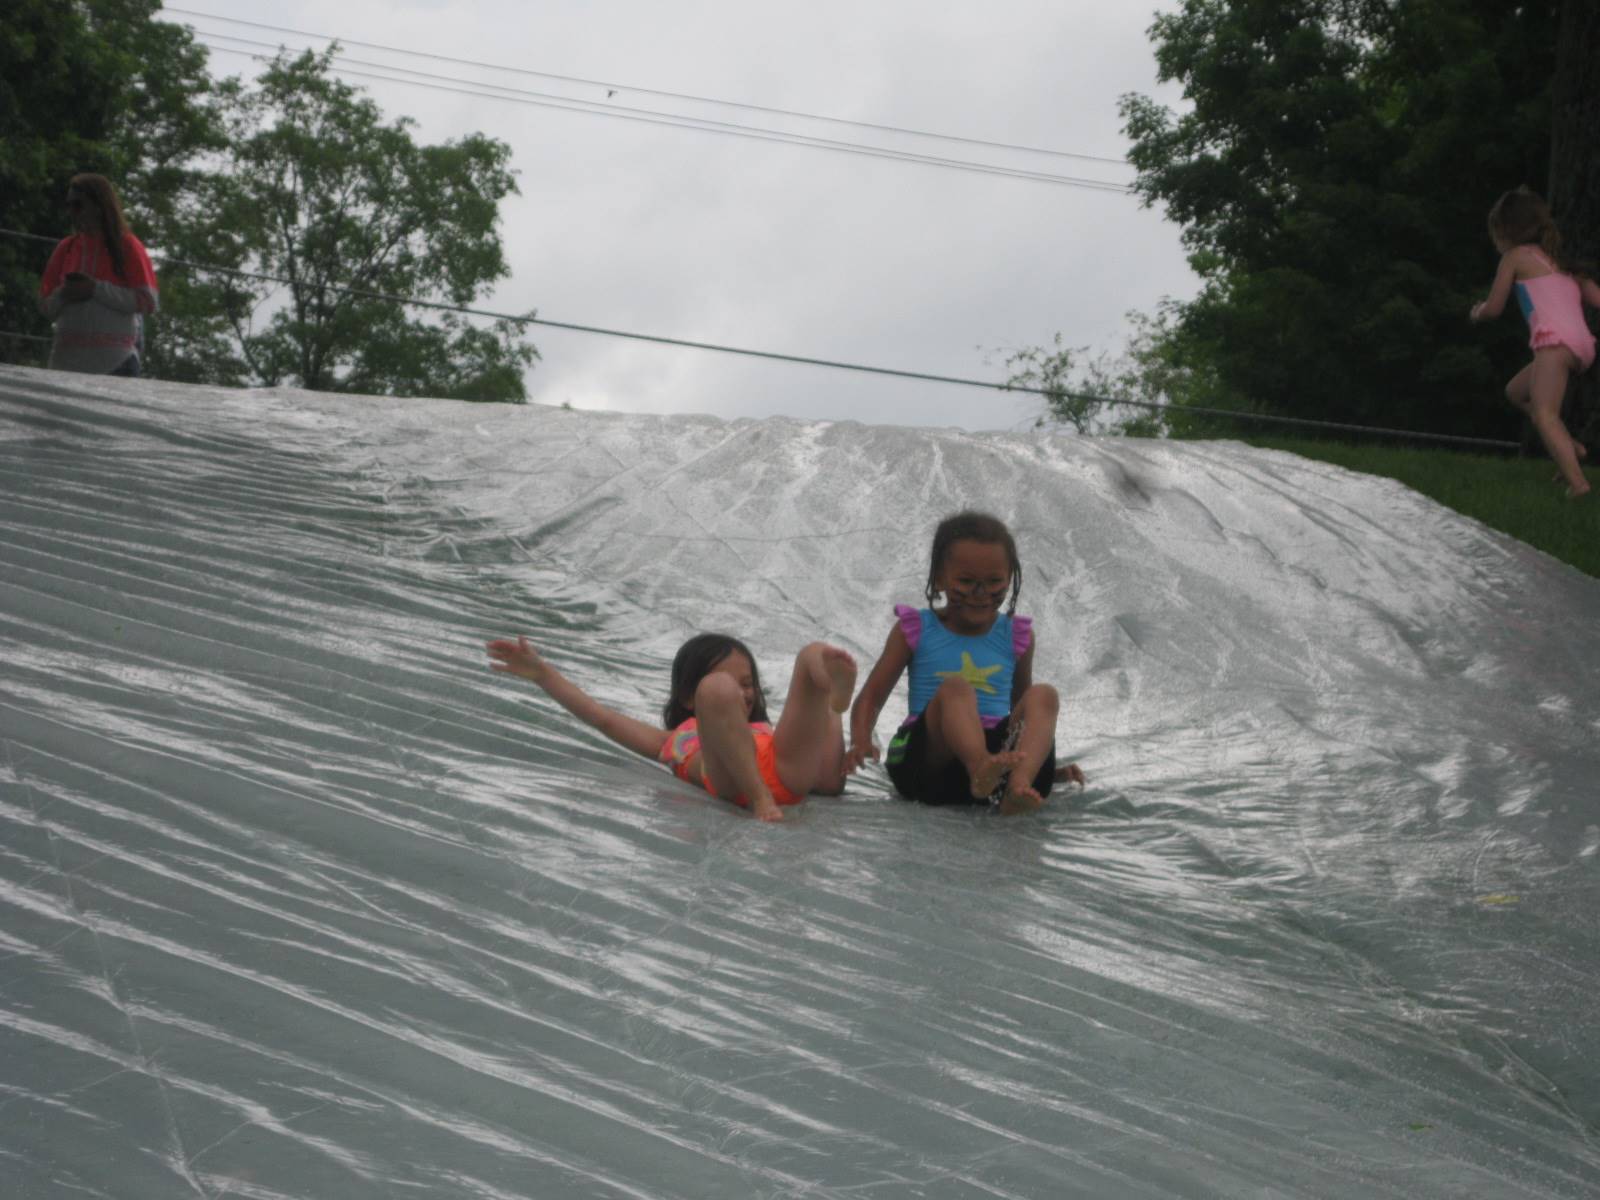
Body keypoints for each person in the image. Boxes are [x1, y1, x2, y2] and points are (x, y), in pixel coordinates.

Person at [847, 510, 1084, 815]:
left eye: (994, 581)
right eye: (966, 581)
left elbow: (1022, 712)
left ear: (1010, 579)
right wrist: (861, 741)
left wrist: (1046, 769)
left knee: (1044, 695)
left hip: (996, 766)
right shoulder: (916, 628)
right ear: (939, 579)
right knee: (955, 688)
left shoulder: (1016, 637)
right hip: (929, 764)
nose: (980, 593)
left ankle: (1019, 787)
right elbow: (871, 697)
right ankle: (979, 767)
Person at [486, 632, 856, 822]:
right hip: (732, 779)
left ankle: (833, 698)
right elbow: (602, 718)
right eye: (733, 684)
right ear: (686, 698)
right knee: (718, 691)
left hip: (786, 771)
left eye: (748, 684)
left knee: (812, 653)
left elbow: (815, 771)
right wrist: (542, 674)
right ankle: (760, 797)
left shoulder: (765, 728)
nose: (743, 693)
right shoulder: (673, 740)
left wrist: (830, 715)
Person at [1469, 187, 1600, 498]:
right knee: (1515, 392)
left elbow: (1494, 307)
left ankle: (1578, 483)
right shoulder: (1564, 263)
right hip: (1582, 345)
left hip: (1554, 345)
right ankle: (1569, 445)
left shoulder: (1514, 258)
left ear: (1503, 231)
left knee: (1544, 413)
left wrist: (1476, 313)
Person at [37, 174, 159, 377]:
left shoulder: (127, 246)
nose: (71, 212)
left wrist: (95, 289)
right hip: (65, 365)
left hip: (115, 364)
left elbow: (148, 302)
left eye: (78, 205)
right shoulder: (66, 248)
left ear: (99, 206)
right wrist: (65, 294)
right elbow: (44, 306)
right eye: (69, 205)